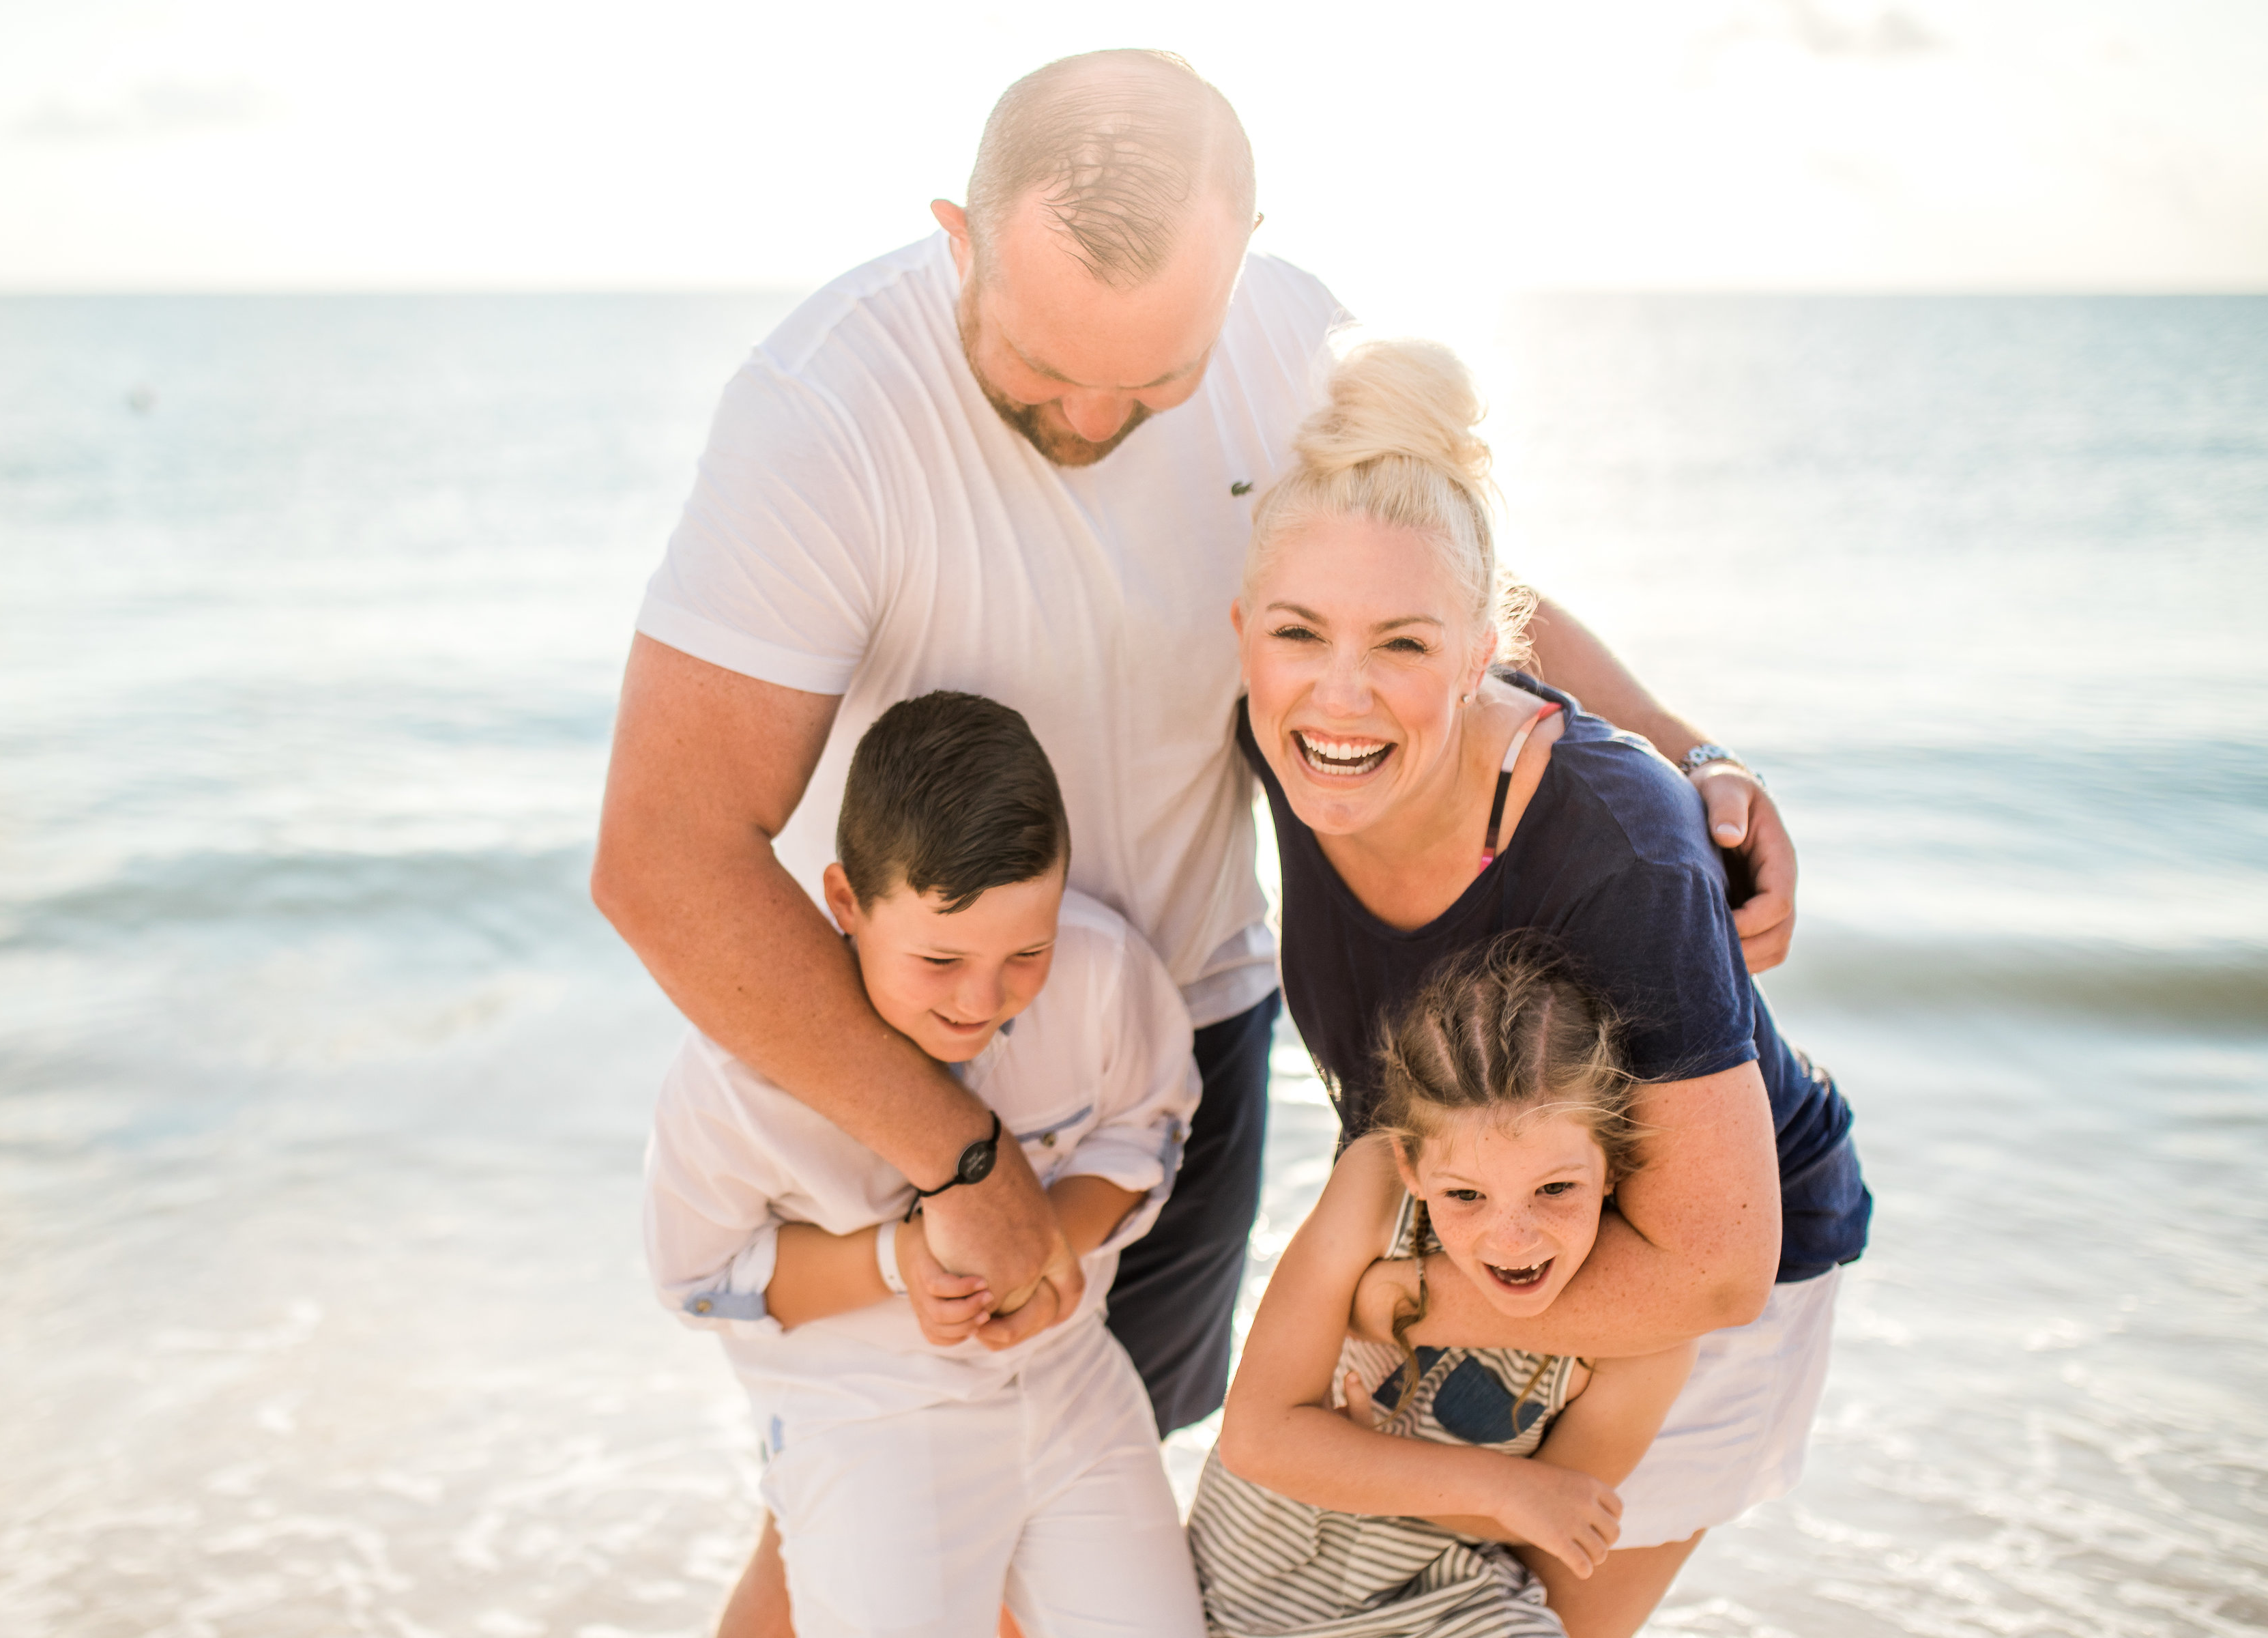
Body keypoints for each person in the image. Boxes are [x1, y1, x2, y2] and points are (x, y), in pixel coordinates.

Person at [593, 48, 1799, 1632]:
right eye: (1037, 362)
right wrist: (950, 1152)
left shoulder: (1290, 336)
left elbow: (1425, 571)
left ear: (1238, 265)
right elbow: (662, 855)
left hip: (1179, 1049)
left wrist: (1681, 746)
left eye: (1152, 378)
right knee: (868, 1487)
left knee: (1082, 1484)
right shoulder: (825, 412)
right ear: (958, 236)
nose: (1092, 415)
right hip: (906, 1040)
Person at [1229, 336, 1872, 1637]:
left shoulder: (1620, 851)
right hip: (1490, 1225)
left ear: (1479, 655)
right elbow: (1423, 586)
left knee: (1537, 1619)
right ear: (1248, 629)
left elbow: (1712, 1275)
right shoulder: (1297, 722)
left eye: (1403, 646)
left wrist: (1370, 1300)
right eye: (1299, 633)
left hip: (1690, 1288)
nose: (1339, 691)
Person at [644, 691, 1206, 1638]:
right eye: (940, 960)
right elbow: (697, 1282)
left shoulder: (1104, 971)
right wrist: (894, 1261)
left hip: (1070, 1379)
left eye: (1027, 951)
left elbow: (1146, 1127)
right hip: (865, 1417)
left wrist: (1044, 1243)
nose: (981, 1001)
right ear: (844, 905)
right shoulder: (734, 1082)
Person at [1196, 932, 1700, 1638]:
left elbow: (1555, 1513)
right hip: (1248, 1568)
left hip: (1438, 1599)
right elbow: (1258, 1439)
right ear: (1411, 1166)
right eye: (1465, 1196)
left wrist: (1359, 1465)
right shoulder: (1375, 1189)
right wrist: (1499, 1487)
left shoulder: (1646, 1337)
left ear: (1611, 1166)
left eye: (1555, 1188)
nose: (1512, 1238)